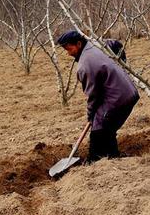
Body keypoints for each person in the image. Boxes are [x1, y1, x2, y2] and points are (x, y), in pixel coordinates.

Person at [57, 30, 139, 162]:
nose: (68, 53)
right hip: (125, 91)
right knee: (105, 128)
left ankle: (97, 160)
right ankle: (111, 155)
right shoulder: (94, 44)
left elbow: (93, 96)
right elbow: (115, 44)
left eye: (69, 49)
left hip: (120, 98)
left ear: (78, 44)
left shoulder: (85, 65)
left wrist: (90, 116)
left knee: (99, 129)